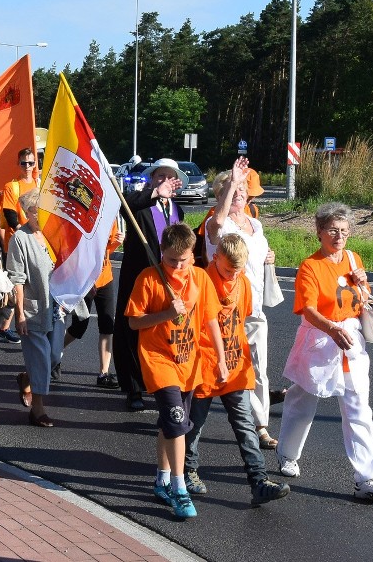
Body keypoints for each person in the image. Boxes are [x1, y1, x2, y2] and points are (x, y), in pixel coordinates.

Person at [276, 202, 373, 500]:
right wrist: (332, 329)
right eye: (332, 230)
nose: (338, 236)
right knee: (303, 399)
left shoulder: (353, 259)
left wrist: (364, 286)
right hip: (319, 338)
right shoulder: (310, 266)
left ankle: (367, 478)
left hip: (351, 342)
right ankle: (288, 454)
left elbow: (362, 300)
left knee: (358, 407)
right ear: (319, 232)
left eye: (343, 230)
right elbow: (308, 309)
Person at [125, 223, 225, 519]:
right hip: (159, 361)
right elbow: (133, 322)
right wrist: (167, 314)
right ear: (161, 253)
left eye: (184, 259)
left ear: (193, 253)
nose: (178, 266)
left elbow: (210, 321)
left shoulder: (201, 278)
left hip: (188, 361)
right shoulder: (149, 278)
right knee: (178, 423)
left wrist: (220, 358)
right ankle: (180, 490)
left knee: (170, 423)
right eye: (171, 260)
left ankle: (162, 477)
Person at [183, 233, 290, 505]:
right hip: (204, 366)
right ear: (216, 257)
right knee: (194, 425)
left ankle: (259, 481)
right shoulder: (200, 280)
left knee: (245, 426)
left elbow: (241, 320)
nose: (233, 275)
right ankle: (188, 471)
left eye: (239, 270)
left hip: (236, 366)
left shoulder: (242, 282)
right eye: (229, 270)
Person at [205, 158, 279, 449]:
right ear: (220, 195)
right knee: (219, 367)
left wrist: (268, 257)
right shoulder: (216, 223)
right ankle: (186, 412)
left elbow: (257, 256)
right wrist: (233, 180)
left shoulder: (256, 224)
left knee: (258, 368)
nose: (239, 194)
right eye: (232, 191)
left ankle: (260, 427)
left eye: (242, 190)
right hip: (225, 309)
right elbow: (220, 223)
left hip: (255, 307)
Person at [113, 158, 186, 410]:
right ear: (152, 179)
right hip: (138, 277)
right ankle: (133, 389)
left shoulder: (177, 210)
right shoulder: (141, 202)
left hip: (164, 280)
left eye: (169, 177)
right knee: (132, 329)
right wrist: (153, 194)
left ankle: (158, 382)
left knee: (161, 332)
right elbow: (124, 206)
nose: (165, 182)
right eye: (160, 177)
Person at [7, 189, 63, 427]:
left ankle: (27, 377)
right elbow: (17, 278)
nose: (41, 215)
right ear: (26, 213)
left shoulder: (53, 234)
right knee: (42, 358)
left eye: (45, 210)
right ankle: (38, 410)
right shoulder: (20, 238)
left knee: (53, 355)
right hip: (33, 308)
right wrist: (19, 314)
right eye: (35, 211)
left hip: (56, 306)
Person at [61, 218, 124, 387]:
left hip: (105, 278)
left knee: (107, 325)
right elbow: (73, 250)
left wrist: (116, 243)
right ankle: (54, 354)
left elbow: (106, 251)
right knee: (79, 325)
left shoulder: (110, 217)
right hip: (83, 279)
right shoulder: (81, 219)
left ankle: (104, 373)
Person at [0, 148, 38, 344]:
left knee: (30, 285)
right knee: (13, 287)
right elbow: (10, 214)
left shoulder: (41, 184)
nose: (27, 167)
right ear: (18, 164)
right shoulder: (12, 186)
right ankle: (0, 324)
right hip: (17, 243)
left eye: (30, 163)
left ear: (35, 163)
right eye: (23, 163)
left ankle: (6, 326)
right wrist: (25, 234)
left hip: (38, 243)